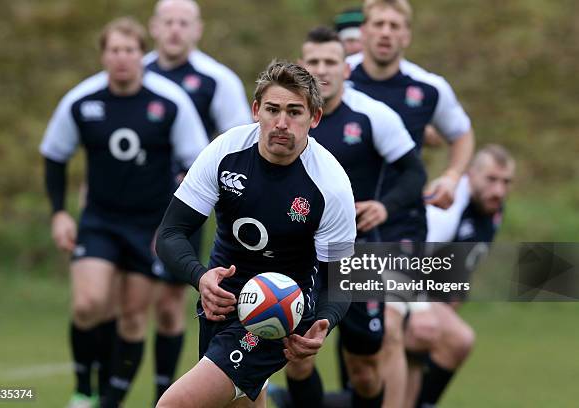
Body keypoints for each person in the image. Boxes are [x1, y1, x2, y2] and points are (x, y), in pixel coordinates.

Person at [155, 60, 357, 408]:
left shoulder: (331, 185)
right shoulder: (225, 152)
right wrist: (201, 278)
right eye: (272, 109)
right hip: (222, 300)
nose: (281, 123)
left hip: (280, 309)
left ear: (314, 118)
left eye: (294, 112)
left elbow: (339, 278)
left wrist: (324, 321)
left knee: (175, 404)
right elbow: (170, 234)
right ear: (255, 111)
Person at [39, 17, 208, 408]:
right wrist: (59, 213)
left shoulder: (169, 101)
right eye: (114, 51)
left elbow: (196, 164)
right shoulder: (82, 101)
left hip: (149, 224)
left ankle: (110, 399)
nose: (122, 59)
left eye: (130, 50)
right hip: (100, 220)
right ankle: (84, 389)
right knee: (88, 304)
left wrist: (172, 227)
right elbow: (54, 154)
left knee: (134, 315)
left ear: (140, 55)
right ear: (103, 56)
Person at [274, 26, 426, 408]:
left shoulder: (374, 116)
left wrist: (386, 205)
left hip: (357, 255)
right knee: (298, 358)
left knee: (365, 369)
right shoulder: (285, 118)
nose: (322, 68)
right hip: (299, 255)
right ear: (301, 67)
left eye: (330, 61)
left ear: (347, 67)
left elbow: (414, 172)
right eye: (313, 61)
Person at [345, 1, 475, 406]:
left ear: (406, 35)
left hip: (402, 227)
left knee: (391, 328)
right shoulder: (336, 78)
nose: (385, 32)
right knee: (353, 348)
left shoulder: (427, 87)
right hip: (337, 225)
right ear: (363, 31)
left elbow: (462, 133)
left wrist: (452, 175)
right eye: (378, 24)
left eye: (394, 25)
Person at [145, 2, 253, 398]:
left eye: (183, 23)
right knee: (122, 301)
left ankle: (171, 388)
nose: (175, 30)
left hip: (196, 202)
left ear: (198, 29)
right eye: (168, 22)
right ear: (154, 27)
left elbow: (242, 142)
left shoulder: (217, 80)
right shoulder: (139, 73)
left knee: (174, 298)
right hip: (141, 203)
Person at [404, 144, 515, 408]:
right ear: (469, 175)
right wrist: (421, 310)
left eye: (506, 182)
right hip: (393, 285)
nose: (499, 190)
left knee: (381, 387)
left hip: (429, 295)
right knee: (458, 339)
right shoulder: (448, 206)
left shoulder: (493, 209)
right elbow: (405, 258)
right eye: (491, 179)